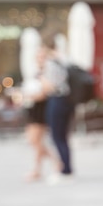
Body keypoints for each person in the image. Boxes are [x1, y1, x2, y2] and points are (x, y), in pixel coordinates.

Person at [22, 47, 59, 181]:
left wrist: (28, 96)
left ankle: (39, 169)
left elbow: (46, 92)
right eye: (38, 57)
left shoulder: (49, 73)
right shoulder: (36, 73)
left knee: (36, 140)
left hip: (41, 109)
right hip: (33, 109)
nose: (40, 60)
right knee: (34, 141)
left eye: (43, 57)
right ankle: (55, 163)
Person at [40, 43, 75, 182]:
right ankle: (67, 168)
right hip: (66, 101)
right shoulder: (62, 62)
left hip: (57, 100)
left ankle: (65, 170)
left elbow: (50, 87)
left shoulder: (50, 64)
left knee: (57, 137)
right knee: (63, 137)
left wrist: (41, 78)